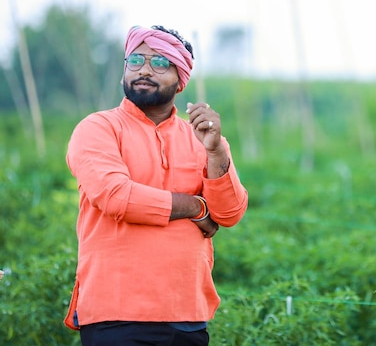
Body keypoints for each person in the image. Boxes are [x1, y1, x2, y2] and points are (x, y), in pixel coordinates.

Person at [64, 25, 248, 346]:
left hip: (188, 315)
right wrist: (195, 206)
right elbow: (117, 197)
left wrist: (216, 151)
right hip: (117, 313)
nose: (145, 70)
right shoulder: (98, 128)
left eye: (160, 63)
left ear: (181, 81)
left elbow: (229, 213)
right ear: (124, 71)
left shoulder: (201, 139)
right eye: (135, 60)